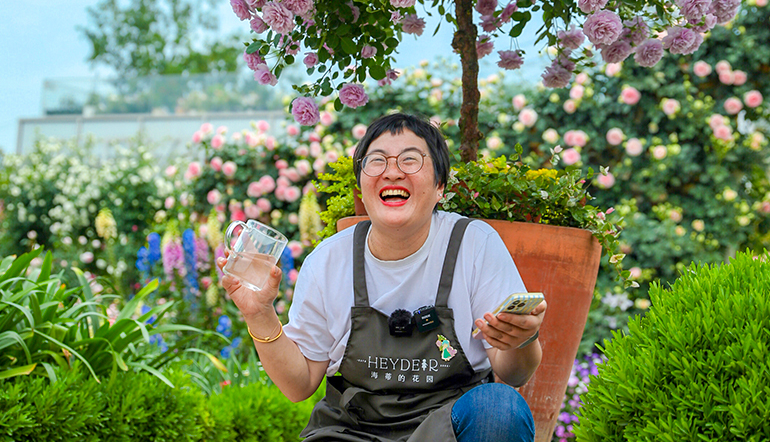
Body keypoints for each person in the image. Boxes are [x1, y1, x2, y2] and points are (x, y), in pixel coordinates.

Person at [218, 113, 546, 441]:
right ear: (361, 185)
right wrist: (259, 314)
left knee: (500, 407)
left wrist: (522, 340)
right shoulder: (330, 260)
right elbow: (298, 384)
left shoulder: (474, 245)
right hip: (352, 431)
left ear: (440, 187)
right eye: (376, 161)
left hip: (445, 429)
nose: (392, 171)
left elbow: (513, 372)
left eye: (410, 160)